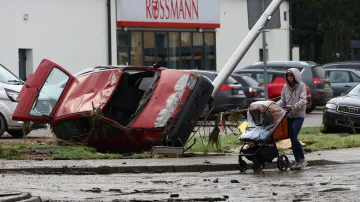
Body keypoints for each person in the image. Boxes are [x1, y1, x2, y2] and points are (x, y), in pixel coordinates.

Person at [277, 68, 307, 170]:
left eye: (291, 76)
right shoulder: (285, 87)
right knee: (292, 138)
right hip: (289, 116)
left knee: (294, 136)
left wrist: (294, 106)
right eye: (288, 76)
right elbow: (282, 100)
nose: (289, 78)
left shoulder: (302, 86)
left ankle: (302, 159)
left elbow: (303, 100)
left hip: (298, 115)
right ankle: (297, 161)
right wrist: (275, 106)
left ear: (296, 76)